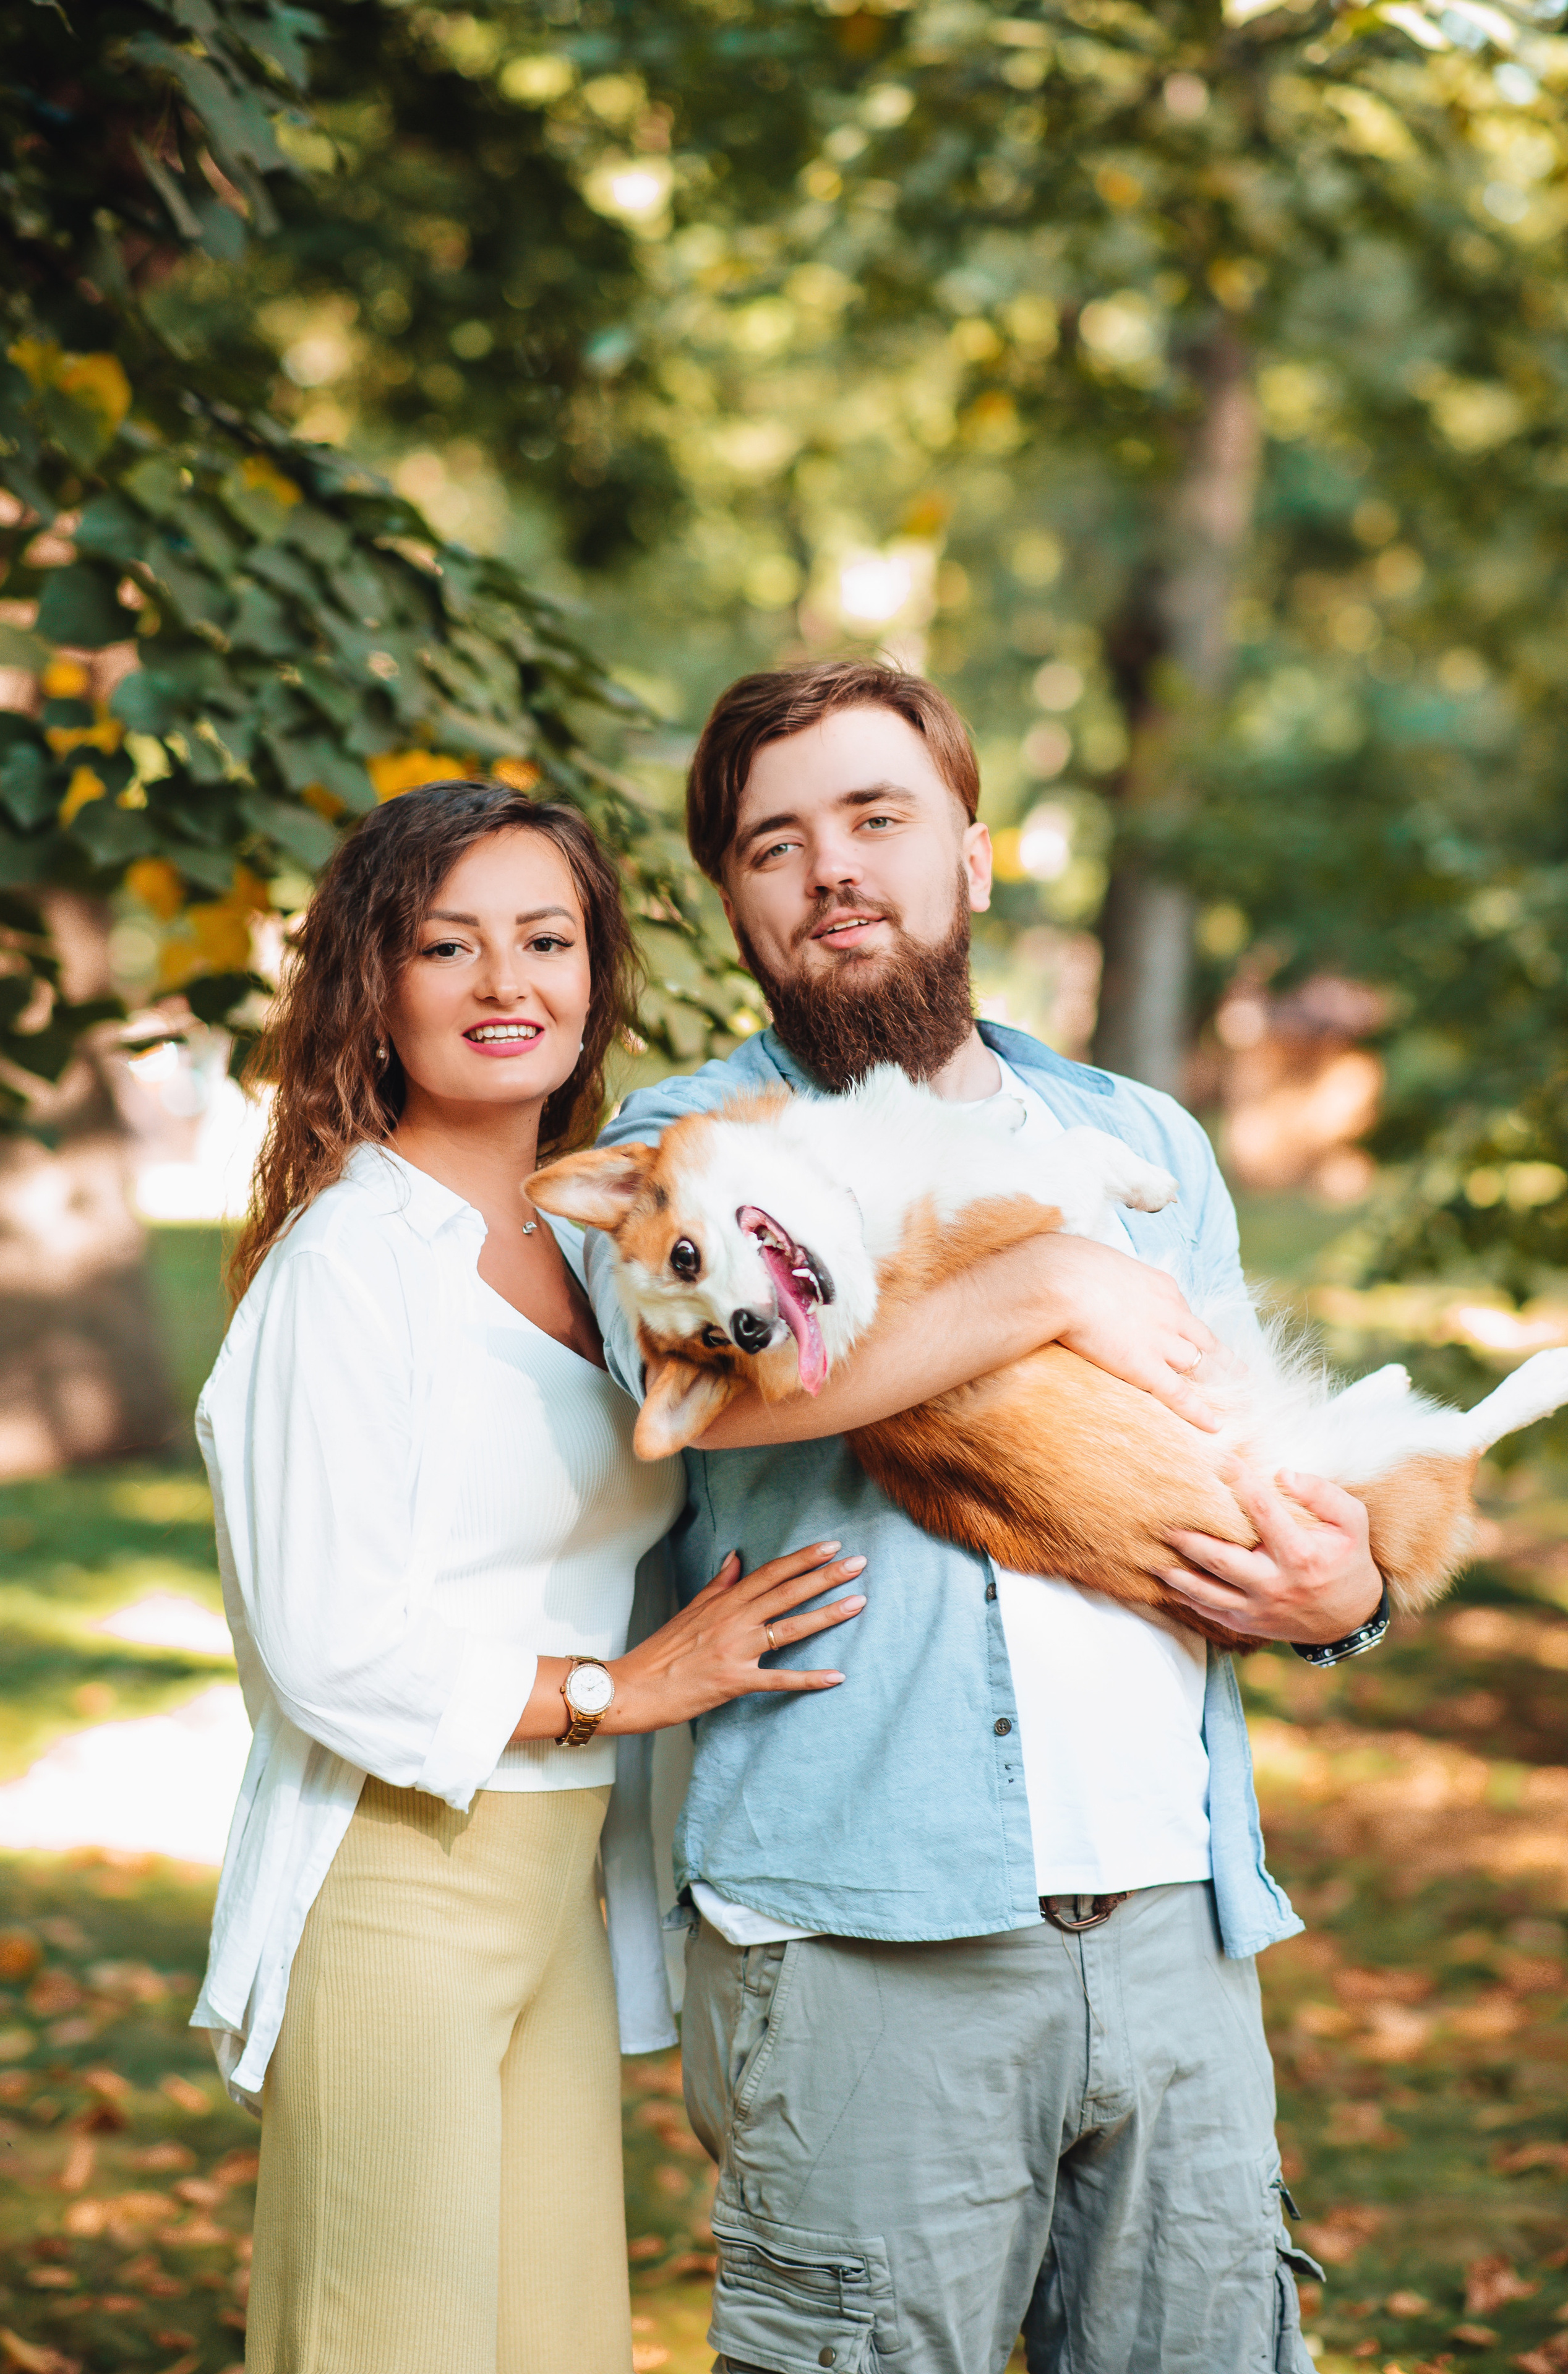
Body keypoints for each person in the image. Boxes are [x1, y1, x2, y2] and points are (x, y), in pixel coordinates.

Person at [584, 663, 1392, 2374]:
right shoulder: (682, 1154)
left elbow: (1246, 1432)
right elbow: (751, 1379)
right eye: (774, 844)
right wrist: (1046, 1281)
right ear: (732, 899)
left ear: (976, 851)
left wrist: (1349, 1584)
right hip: (864, 1936)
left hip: (1172, 1921)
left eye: (878, 818)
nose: (834, 872)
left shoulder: (1133, 1136)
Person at [189, 779, 867, 2374]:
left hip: (557, 1882)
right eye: (451, 946)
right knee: (388, 2341)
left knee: (552, 2337)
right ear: (377, 981)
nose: (510, 986)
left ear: (592, 975)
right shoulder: (352, 1264)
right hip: (397, 1864)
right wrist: (623, 1691)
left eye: (547, 941)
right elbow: (325, 1644)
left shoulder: (604, 1249)